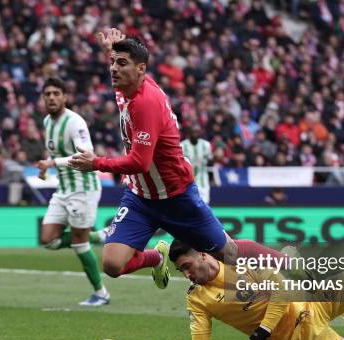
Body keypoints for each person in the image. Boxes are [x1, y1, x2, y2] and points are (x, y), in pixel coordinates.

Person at [70, 28, 289, 292]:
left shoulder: (145, 103)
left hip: (177, 197)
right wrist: (113, 49)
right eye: (113, 63)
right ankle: (158, 257)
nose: (113, 69)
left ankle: (288, 263)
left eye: (121, 63)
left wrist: (95, 163)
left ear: (140, 69)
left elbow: (139, 162)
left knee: (229, 254)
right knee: (113, 265)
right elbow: (126, 64)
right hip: (140, 198)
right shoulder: (127, 87)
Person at [166, 240, 344, 340]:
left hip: (313, 300)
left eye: (187, 266)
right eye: (181, 270)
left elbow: (282, 292)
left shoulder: (238, 262)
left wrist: (258, 338)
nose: (186, 274)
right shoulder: (196, 298)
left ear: (203, 256)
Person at [34, 77, 109, 307]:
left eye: (57, 93)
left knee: (79, 243)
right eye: (48, 94)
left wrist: (53, 163)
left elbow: (86, 154)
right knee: (48, 240)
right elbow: (57, 153)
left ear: (65, 97)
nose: (52, 98)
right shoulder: (47, 121)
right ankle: (101, 236)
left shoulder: (75, 122)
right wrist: (48, 164)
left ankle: (101, 294)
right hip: (63, 189)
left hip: (83, 189)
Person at [181, 125, 213, 204]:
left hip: (203, 180)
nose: (195, 134)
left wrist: (211, 178)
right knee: (191, 205)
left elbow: (210, 162)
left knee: (205, 204)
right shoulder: (182, 145)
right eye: (193, 132)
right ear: (189, 133)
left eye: (197, 132)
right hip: (188, 181)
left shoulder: (206, 145)